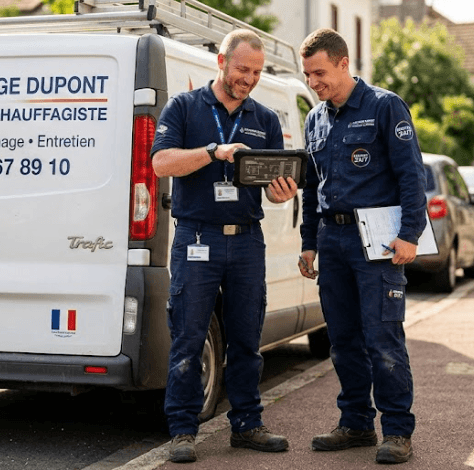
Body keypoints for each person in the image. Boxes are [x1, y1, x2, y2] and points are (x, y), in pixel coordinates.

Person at [151, 28, 299, 464]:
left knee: (247, 339)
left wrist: (282, 192)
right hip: (197, 238)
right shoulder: (184, 107)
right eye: (242, 69)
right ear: (220, 61)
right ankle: (182, 430)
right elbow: (161, 162)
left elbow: (271, 189)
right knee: (189, 338)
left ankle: (248, 425)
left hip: (247, 243)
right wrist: (214, 151)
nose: (248, 79)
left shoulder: (266, 119)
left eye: (255, 72)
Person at [297, 28, 427, 465]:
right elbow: (312, 188)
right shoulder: (315, 119)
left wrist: (410, 234)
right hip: (331, 241)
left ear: (343, 63)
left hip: (377, 241)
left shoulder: (385, 106)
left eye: (319, 73)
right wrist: (309, 243)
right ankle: (355, 423)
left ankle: (396, 430)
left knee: (382, 337)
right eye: (308, 76)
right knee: (343, 340)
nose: (313, 83)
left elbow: (412, 176)